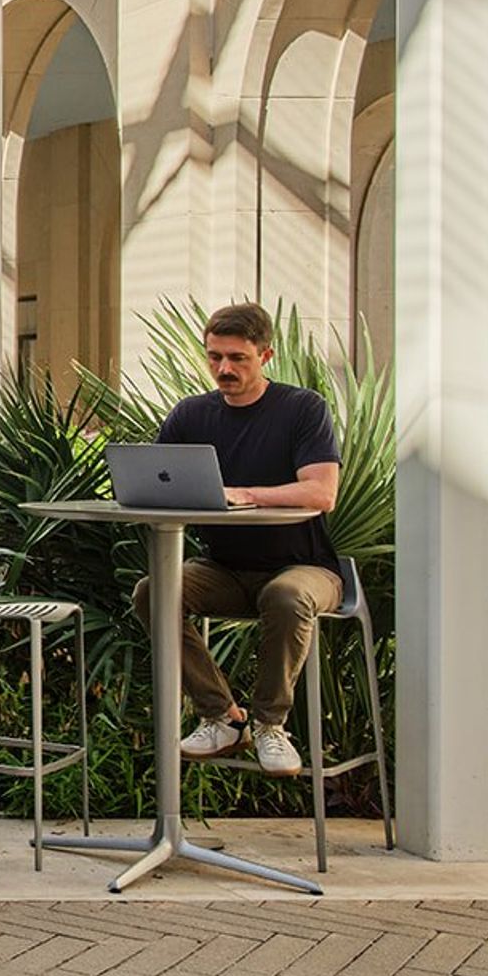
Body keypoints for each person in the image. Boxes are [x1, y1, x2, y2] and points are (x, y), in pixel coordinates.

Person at [130, 302, 341, 776]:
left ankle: (270, 725)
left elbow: (322, 491)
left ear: (265, 356)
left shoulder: (302, 408)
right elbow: (157, 483)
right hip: (223, 567)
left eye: (237, 359)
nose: (224, 369)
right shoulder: (190, 415)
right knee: (153, 591)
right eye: (214, 357)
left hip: (304, 566)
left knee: (286, 596)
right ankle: (222, 716)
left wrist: (245, 494)